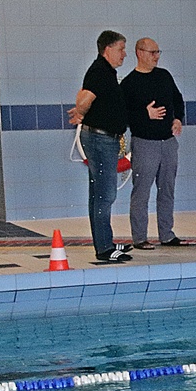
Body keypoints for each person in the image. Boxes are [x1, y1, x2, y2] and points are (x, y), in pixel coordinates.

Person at [68, 30, 132, 263]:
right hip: (100, 140)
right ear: (108, 49)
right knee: (105, 195)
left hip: (103, 139)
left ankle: (105, 241)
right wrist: (81, 112)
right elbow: (84, 98)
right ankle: (104, 248)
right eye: (121, 49)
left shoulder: (105, 72)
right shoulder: (100, 71)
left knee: (99, 194)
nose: (124, 54)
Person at [121, 37, 186, 250]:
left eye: (158, 52)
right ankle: (139, 237)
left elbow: (178, 100)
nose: (156, 56)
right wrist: (144, 113)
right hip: (144, 143)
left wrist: (178, 119)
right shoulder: (129, 83)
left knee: (167, 189)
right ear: (139, 53)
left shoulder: (164, 76)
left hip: (168, 142)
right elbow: (123, 115)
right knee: (142, 192)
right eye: (152, 52)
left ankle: (166, 234)